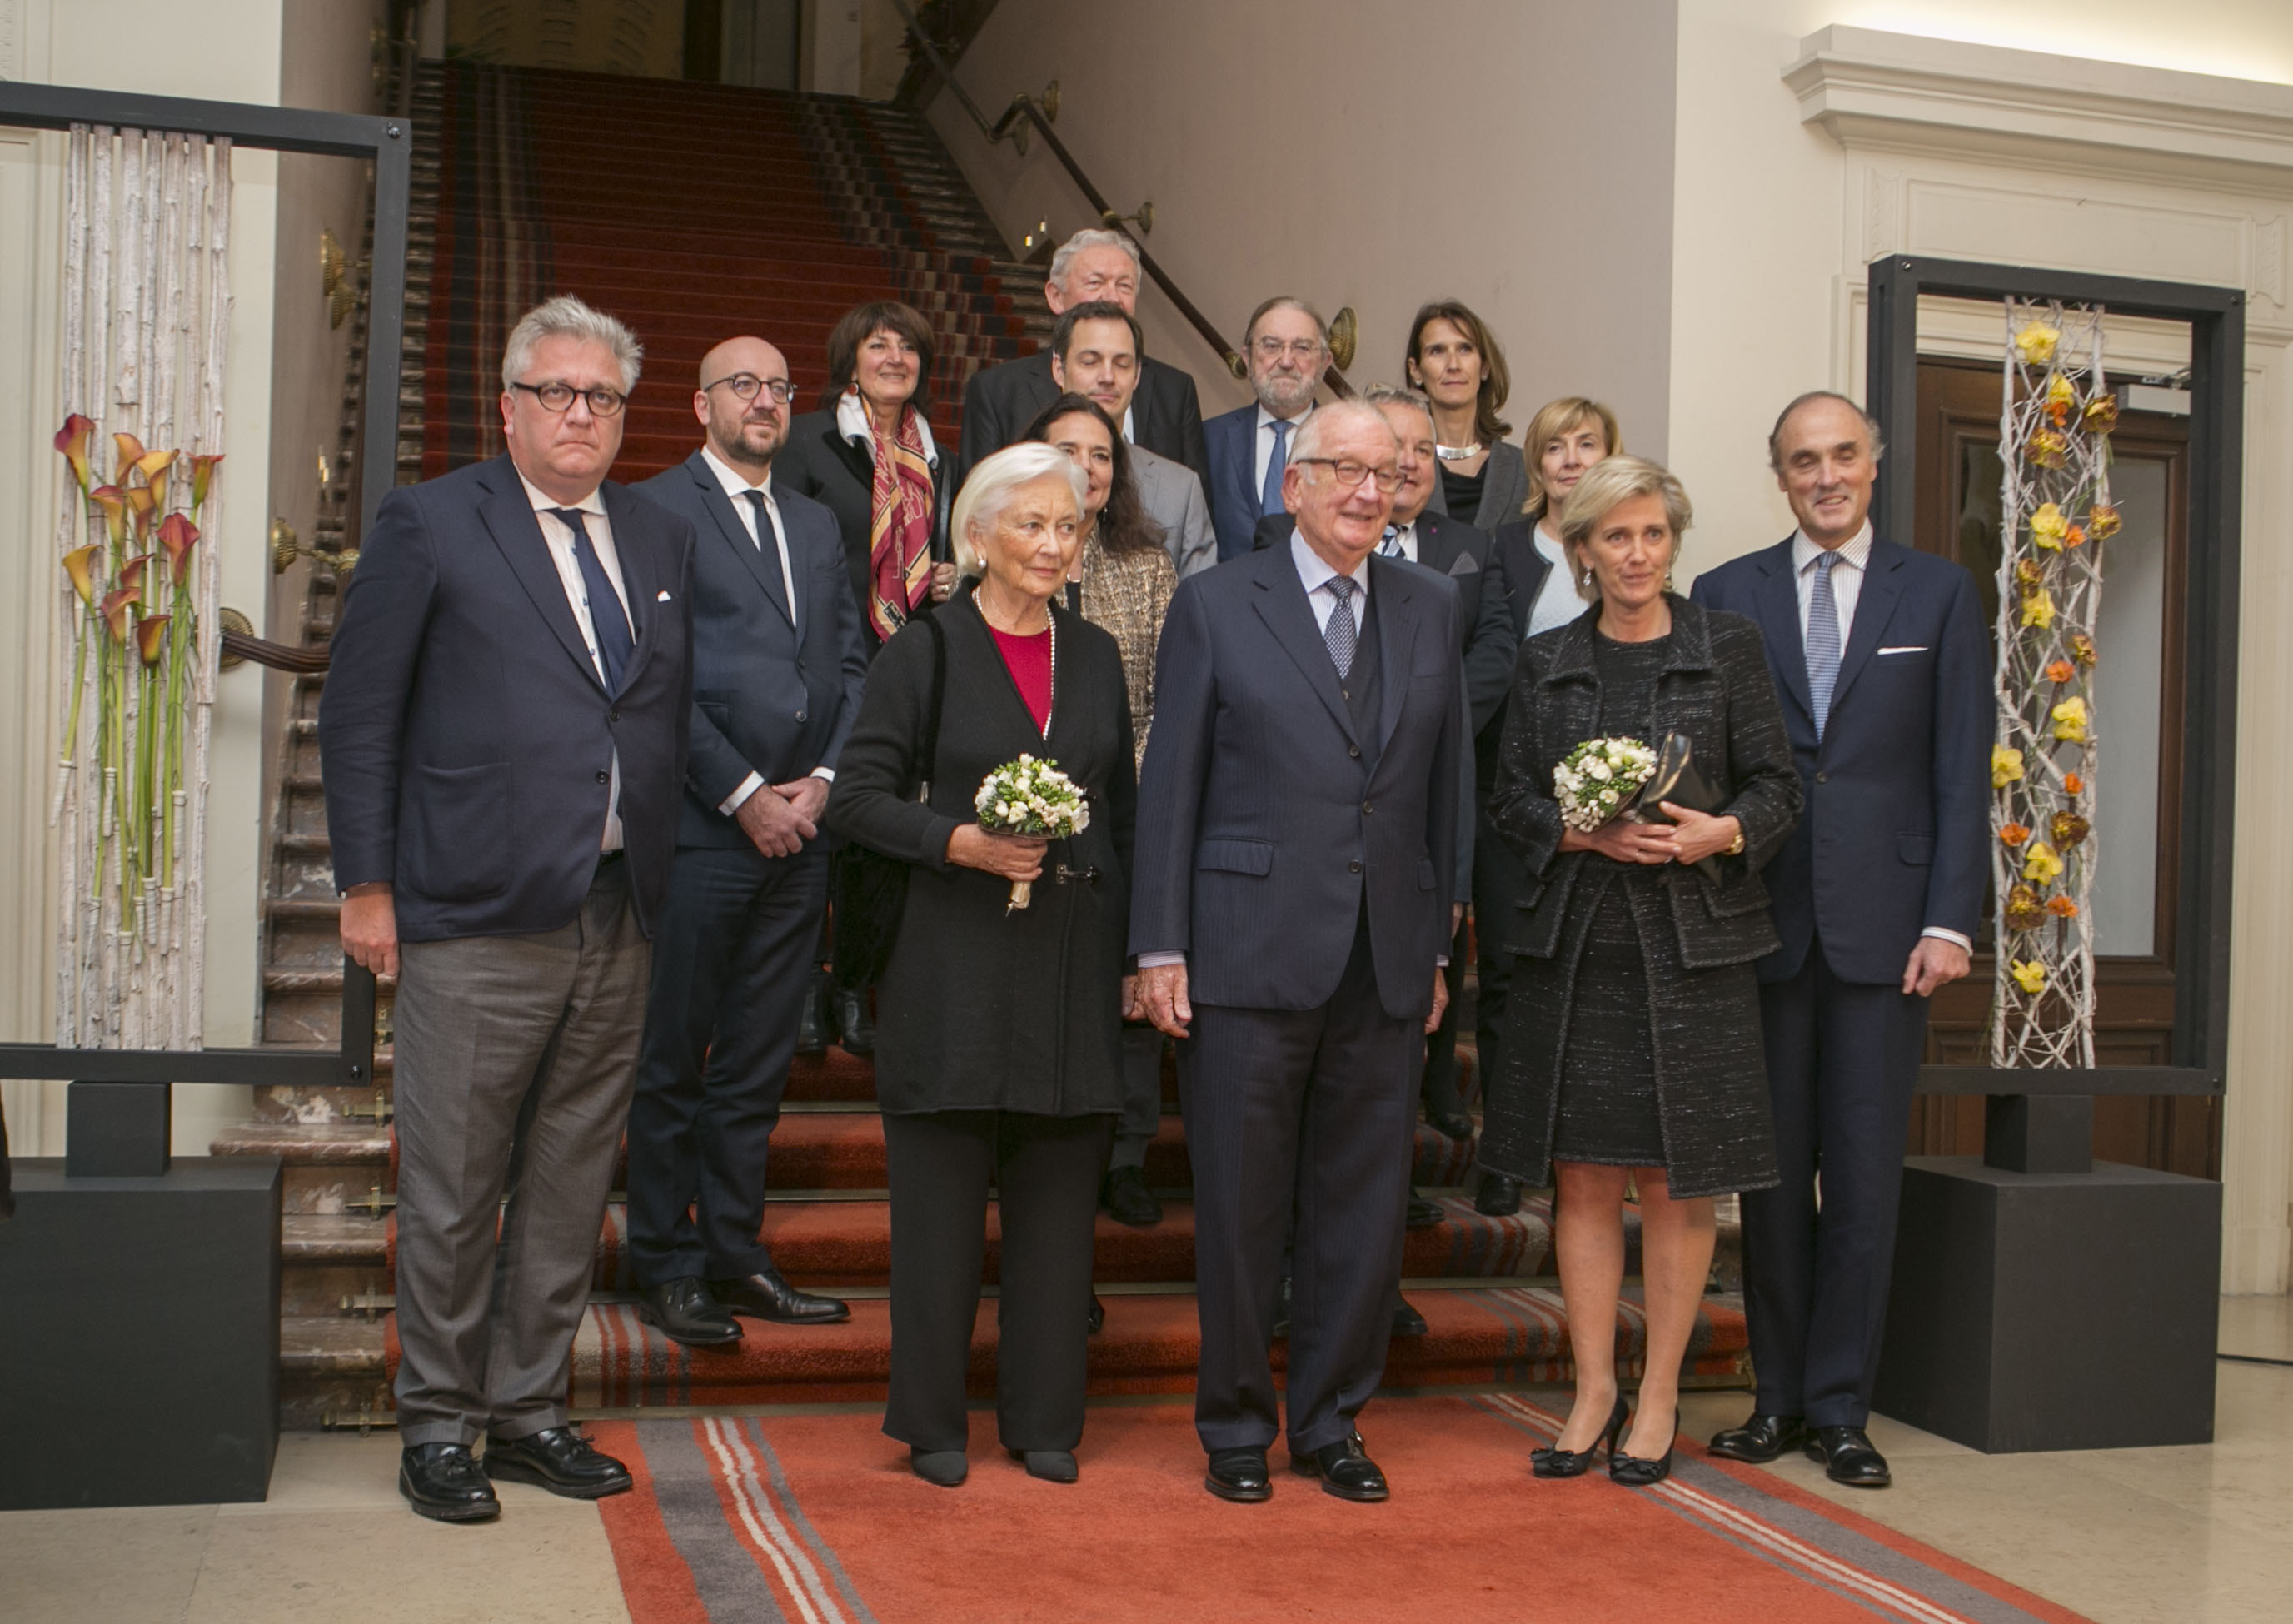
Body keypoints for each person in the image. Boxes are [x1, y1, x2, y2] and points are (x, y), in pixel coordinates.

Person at [322, 295, 695, 1522]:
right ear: (510, 405)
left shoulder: (652, 535)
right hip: (474, 910)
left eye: (602, 397)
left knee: (570, 1177)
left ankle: (530, 1407)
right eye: (558, 392)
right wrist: (367, 885)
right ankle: (438, 1420)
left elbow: (651, 713)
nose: (581, 415)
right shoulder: (432, 522)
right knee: (451, 1182)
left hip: (616, 908)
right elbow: (363, 713)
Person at [1133, 399, 1463, 1505]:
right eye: (1343, 471)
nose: (1369, 491)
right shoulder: (1218, 603)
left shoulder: (1431, 605)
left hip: (1386, 958)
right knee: (1238, 1203)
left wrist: (1439, 943)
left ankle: (1330, 1419)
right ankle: (1234, 1422)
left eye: (1386, 472)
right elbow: (1170, 782)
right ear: (1293, 485)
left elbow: (1443, 792)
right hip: (1243, 951)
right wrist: (1160, 944)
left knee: (1363, 1209)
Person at [825, 443, 1137, 1489]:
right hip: (948, 965)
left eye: (1069, 526)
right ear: (977, 535)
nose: (1053, 545)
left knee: (1057, 1214)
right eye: (1032, 524)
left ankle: (1044, 1419)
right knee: (940, 1217)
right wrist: (959, 841)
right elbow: (857, 798)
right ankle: (934, 1425)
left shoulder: (1093, 655)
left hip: (1068, 963)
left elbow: (1122, 814)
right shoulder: (928, 650)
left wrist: (1137, 954)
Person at [1483, 453, 1800, 1485]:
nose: (1634, 553)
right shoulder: (1546, 662)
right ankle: (1589, 1391)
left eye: (1652, 533)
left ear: (1673, 541)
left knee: (1674, 1184)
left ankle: (1657, 1394)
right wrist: (1577, 837)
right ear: (1579, 549)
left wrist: (1720, 834)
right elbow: (1510, 803)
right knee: (1580, 1181)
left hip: (1696, 956)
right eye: (1612, 536)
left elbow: (1777, 788)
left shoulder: (1729, 649)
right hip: (1574, 960)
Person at [1692, 391, 1989, 1490]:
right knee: (1769, 1182)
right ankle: (1773, 1397)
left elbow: (1962, 763)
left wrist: (1951, 917)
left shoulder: (1941, 592)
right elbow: (1711, 759)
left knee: (1862, 1181)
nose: (1824, 476)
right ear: (1778, 474)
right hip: (1758, 924)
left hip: (1889, 932)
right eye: (1802, 460)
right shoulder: (1726, 593)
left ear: (1875, 463)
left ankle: (1841, 1408)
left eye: (1842, 456)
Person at [621, 336, 870, 1348]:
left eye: (778, 387)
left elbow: (852, 663)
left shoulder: (812, 523)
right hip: (703, 831)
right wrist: (742, 792)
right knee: (674, 1057)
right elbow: (651, 678)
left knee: (759, 1064)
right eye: (743, 387)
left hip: (802, 834)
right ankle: (665, 1260)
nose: (765, 402)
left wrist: (820, 782)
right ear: (699, 405)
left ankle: (735, 1252)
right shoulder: (651, 513)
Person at [778, 300, 957, 1056]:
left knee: (874, 836)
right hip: (823, 662)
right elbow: (785, 550)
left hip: (904, 665)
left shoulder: (934, 453)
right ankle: (802, 991)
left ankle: (852, 985)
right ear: (849, 360)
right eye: (877, 345)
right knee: (815, 831)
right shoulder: (812, 443)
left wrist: (946, 574)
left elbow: (944, 542)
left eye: (907, 347)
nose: (893, 357)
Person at [1026, 392, 1179, 1229]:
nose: (1084, 467)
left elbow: (1164, 699)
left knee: (1130, 989)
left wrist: (1123, 792)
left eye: (1099, 454)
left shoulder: (1147, 566)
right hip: (1017, 821)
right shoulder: (999, 559)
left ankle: (1124, 1157)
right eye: (1066, 449)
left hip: (1127, 814)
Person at [1473, 396, 1623, 1218]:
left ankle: (1589, 1158)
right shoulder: (1502, 547)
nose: (1569, 459)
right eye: (1554, 446)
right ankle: (1504, 1153)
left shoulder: (1625, 544)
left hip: (1614, 808)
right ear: (1533, 463)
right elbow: (1495, 663)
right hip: (1515, 802)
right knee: (1504, 980)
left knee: (1594, 985)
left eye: (1585, 444)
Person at [958, 227, 1209, 486]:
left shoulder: (1175, 390)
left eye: (1124, 285)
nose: (1112, 297)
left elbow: (1194, 507)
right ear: (1056, 296)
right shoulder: (998, 392)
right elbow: (978, 506)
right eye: (1095, 283)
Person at [1047, 301, 1216, 579]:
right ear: (1058, 368)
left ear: (1137, 375)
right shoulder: (1012, 475)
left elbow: (1199, 608)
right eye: (1090, 362)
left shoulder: (1180, 490)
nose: (1107, 377)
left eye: (1122, 364)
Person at [1202, 297, 1328, 561]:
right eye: (1271, 346)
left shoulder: (1346, 444)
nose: (1285, 360)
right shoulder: (1209, 439)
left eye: (1302, 348)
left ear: (1325, 363)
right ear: (1247, 357)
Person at [1403, 300, 1529, 530]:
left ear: (1484, 367)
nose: (1453, 364)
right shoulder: (1398, 464)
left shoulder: (1523, 469)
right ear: (1416, 370)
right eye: (1437, 351)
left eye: (1465, 349)